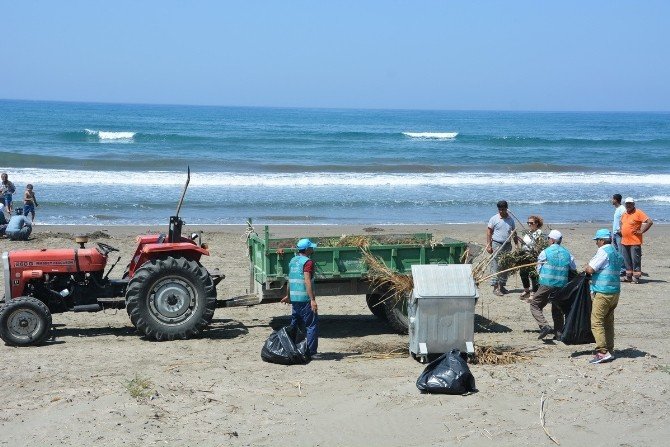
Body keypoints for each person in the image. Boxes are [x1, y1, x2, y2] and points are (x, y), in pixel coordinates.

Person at [585, 229, 624, 364]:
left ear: (601, 240)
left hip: (603, 292)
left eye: (597, 241)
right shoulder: (616, 253)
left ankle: (602, 352)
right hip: (615, 292)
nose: (596, 243)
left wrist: (586, 268)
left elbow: (591, 269)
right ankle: (610, 350)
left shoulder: (603, 251)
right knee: (608, 322)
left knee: (596, 322)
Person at [530, 230, 576, 340]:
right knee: (557, 308)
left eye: (548, 239)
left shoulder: (545, 252)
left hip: (547, 283)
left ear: (552, 240)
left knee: (535, 305)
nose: (547, 241)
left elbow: (538, 269)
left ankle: (544, 326)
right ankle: (559, 334)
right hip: (561, 285)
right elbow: (573, 268)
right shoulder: (567, 253)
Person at [280, 238, 319, 356]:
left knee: (295, 325)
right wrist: (312, 300)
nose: (313, 248)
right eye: (311, 247)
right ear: (307, 249)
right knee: (311, 325)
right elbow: (307, 280)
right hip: (305, 299)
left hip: (295, 299)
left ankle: (290, 348)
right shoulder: (307, 262)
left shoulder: (293, 260)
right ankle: (311, 352)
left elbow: (290, 280)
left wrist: (288, 295)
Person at [486, 200, 518, 296]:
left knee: (505, 265)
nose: (501, 211)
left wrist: (516, 245)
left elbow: (514, 233)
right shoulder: (494, 219)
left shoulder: (510, 220)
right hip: (496, 244)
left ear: (506, 209)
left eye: (503, 209)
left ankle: (502, 286)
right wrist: (489, 245)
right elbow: (489, 232)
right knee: (496, 265)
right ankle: (495, 288)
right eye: (499, 209)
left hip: (507, 245)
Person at [620, 197, 653, 284]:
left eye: (630, 203)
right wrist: (621, 231)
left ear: (633, 204)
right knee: (627, 260)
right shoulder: (624, 213)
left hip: (634, 241)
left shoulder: (638, 212)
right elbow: (622, 223)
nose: (628, 205)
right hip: (624, 241)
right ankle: (629, 277)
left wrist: (641, 231)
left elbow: (649, 222)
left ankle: (636, 278)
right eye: (627, 203)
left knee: (635, 260)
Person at [519, 215, 544, 300]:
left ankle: (534, 292)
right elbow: (524, 243)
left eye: (531, 223)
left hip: (533, 256)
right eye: (528, 223)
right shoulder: (527, 232)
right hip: (524, 255)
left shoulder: (539, 233)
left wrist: (534, 252)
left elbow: (539, 245)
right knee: (522, 272)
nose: (529, 224)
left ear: (536, 223)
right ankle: (526, 290)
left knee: (533, 274)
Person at [611, 194, 626, 276]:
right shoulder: (617, 209)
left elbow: (624, 220)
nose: (611, 200)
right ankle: (620, 268)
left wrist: (621, 230)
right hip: (615, 233)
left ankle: (623, 269)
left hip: (619, 233)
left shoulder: (622, 209)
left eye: (612, 199)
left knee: (621, 252)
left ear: (616, 200)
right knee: (617, 252)